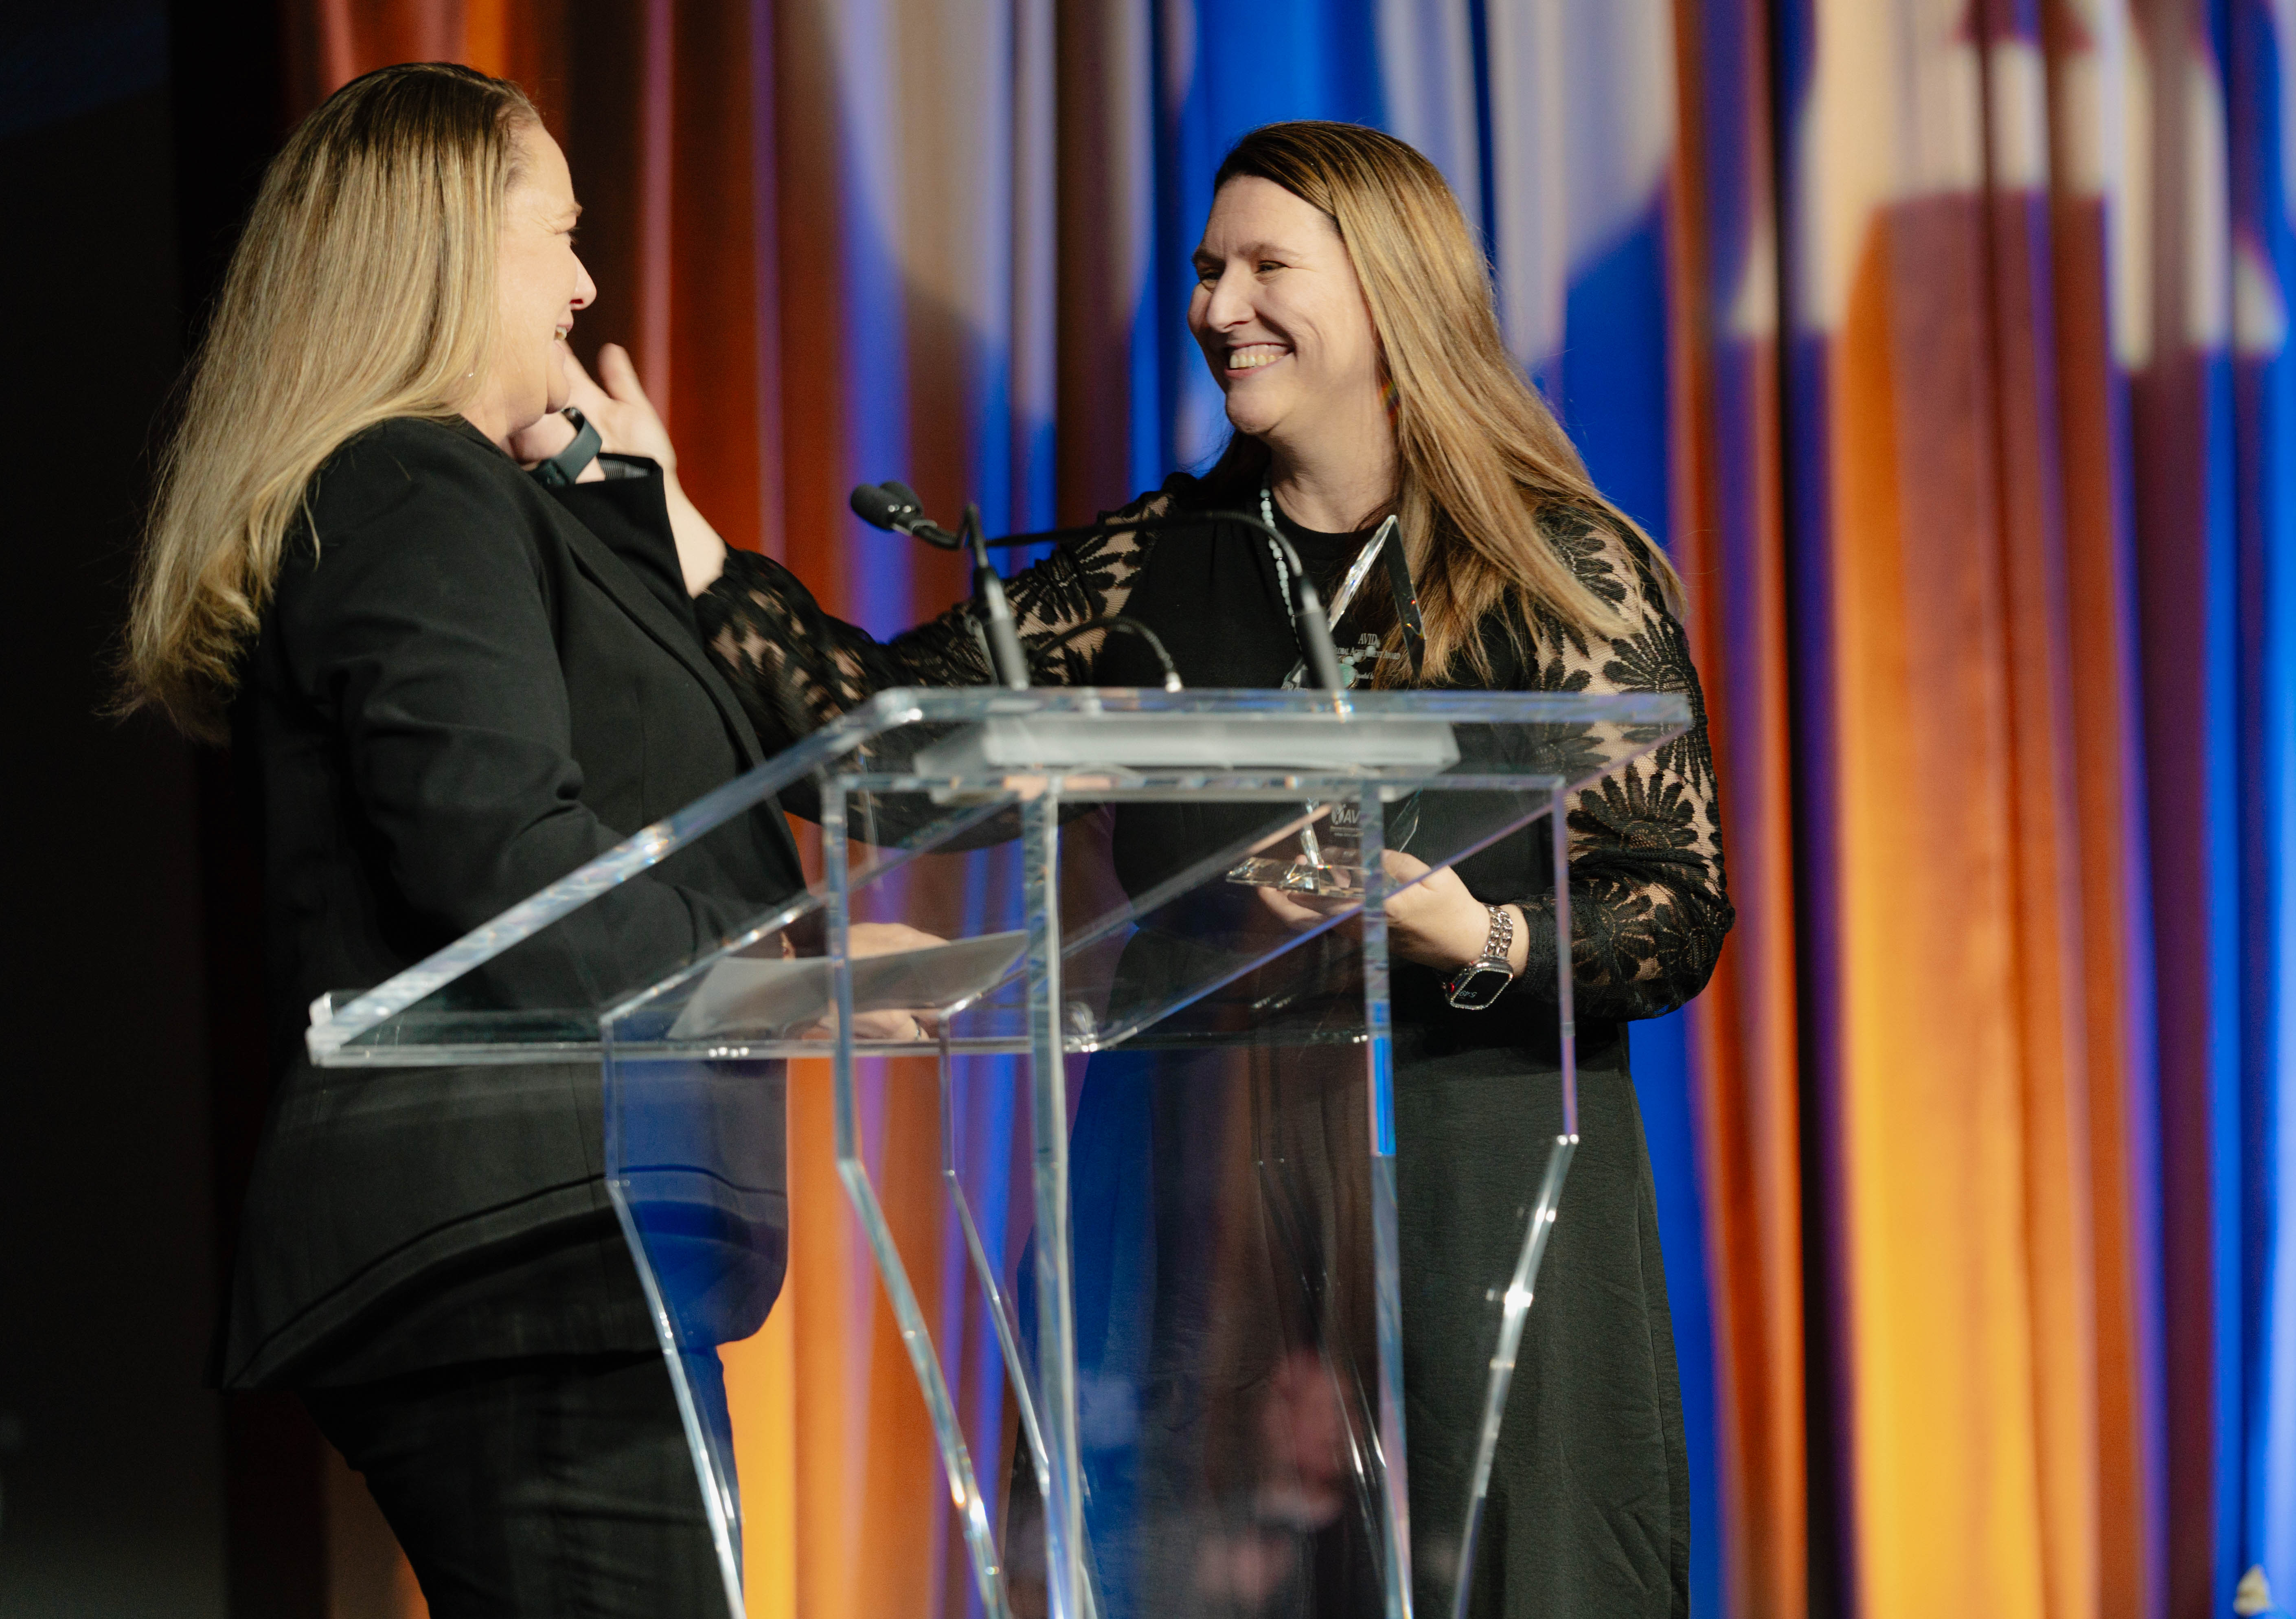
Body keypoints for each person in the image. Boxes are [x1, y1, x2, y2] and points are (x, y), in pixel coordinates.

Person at [575, 118, 1732, 1616]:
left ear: (1390, 290)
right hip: (1198, 1207)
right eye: (1204, 269)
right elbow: (883, 743)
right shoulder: (1158, 560)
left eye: (1264, 267)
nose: (1215, 306)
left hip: (1476, 1186)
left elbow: (1672, 901)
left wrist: (1473, 932)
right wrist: (682, 540)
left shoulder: (1553, 567)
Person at [120, 62, 844, 1616]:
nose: (586, 289)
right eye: (561, 236)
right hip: (514, 1252)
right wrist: (789, 980)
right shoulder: (407, 484)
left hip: (573, 1250)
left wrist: (626, 503)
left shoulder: (477, 497)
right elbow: (506, 865)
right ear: (446, 247)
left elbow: (663, 765)